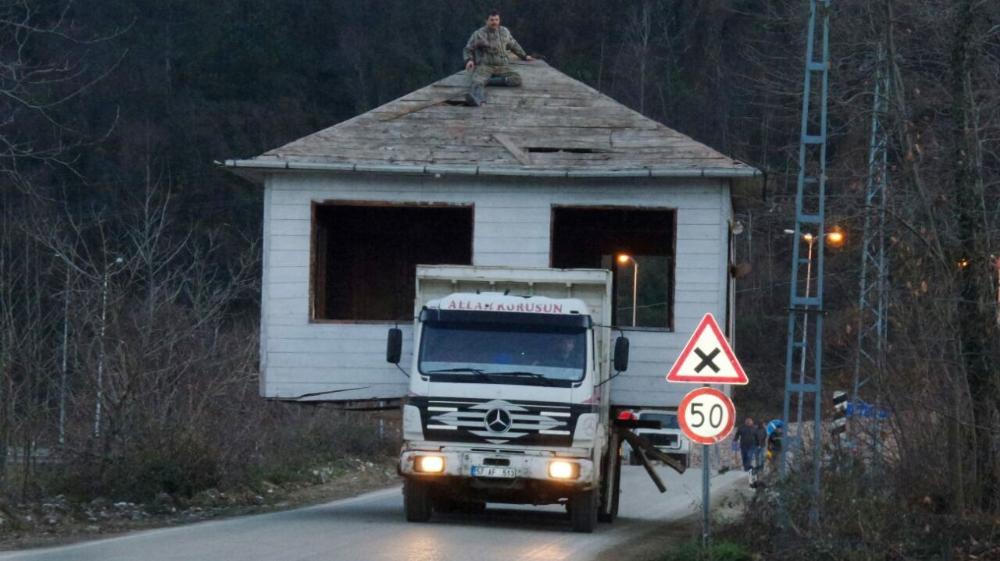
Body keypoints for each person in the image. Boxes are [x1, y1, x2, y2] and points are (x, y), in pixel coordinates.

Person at [462, 11, 534, 106]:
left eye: (496, 19)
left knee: (517, 79)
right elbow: (468, 48)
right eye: (491, 20)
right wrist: (469, 60)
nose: (494, 22)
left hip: (502, 66)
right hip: (485, 66)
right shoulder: (478, 34)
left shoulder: (504, 32)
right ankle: (478, 100)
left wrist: (524, 56)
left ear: (499, 20)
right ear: (486, 21)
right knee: (476, 82)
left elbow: (513, 44)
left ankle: (488, 81)